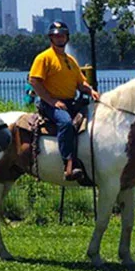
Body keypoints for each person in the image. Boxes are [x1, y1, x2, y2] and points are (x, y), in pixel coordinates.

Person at [28, 22, 100, 181]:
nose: (59, 38)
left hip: (70, 102)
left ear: (67, 37)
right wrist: (52, 101)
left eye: (62, 35)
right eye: (56, 35)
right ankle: (69, 165)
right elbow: (34, 81)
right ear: (51, 38)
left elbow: (81, 83)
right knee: (66, 123)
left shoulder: (71, 60)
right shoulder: (44, 58)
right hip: (51, 105)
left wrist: (91, 91)